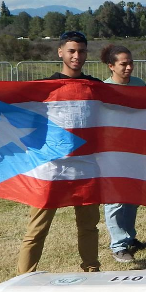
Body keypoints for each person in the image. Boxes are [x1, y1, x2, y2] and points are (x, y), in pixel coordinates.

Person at [11, 31, 104, 273]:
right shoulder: (45, 87)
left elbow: (129, 102)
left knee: (88, 226)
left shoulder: (95, 86)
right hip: (51, 168)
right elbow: (5, 101)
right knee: (37, 227)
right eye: (71, 50)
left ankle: (91, 270)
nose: (77, 56)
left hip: (85, 165)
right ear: (60, 51)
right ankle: (25, 275)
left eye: (81, 51)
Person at [100, 44, 146, 263]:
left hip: (135, 150)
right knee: (115, 200)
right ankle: (118, 245)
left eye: (130, 63)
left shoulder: (140, 84)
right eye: (123, 64)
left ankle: (129, 236)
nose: (129, 67)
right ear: (111, 66)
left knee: (132, 197)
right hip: (112, 152)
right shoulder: (103, 90)